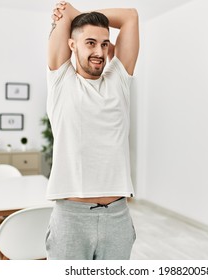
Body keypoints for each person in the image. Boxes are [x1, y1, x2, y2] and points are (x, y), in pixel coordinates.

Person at [45, 1, 139, 260]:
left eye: (104, 43)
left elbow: (130, 16)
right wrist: (73, 16)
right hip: (71, 219)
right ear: (72, 45)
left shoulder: (119, 80)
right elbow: (63, 11)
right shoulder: (60, 81)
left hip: (117, 217)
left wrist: (79, 16)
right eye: (90, 42)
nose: (99, 51)